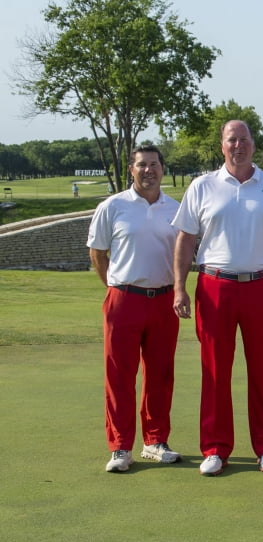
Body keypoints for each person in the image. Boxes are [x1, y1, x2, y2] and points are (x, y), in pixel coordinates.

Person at [172, 120, 263, 476]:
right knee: (215, 370)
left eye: (244, 140)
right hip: (215, 286)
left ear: (254, 145)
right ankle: (215, 448)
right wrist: (179, 286)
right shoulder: (202, 186)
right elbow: (185, 239)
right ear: (222, 145)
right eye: (232, 140)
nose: (238, 146)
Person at [87, 145, 181, 472]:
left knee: (160, 375)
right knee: (120, 375)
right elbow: (98, 252)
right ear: (131, 169)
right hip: (124, 299)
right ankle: (120, 447)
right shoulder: (113, 206)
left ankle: (155, 441)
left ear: (162, 168)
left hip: (165, 301)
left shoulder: (176, 208)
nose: (148, 170)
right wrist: (114, 285)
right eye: (141, 165)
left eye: (154, 164)